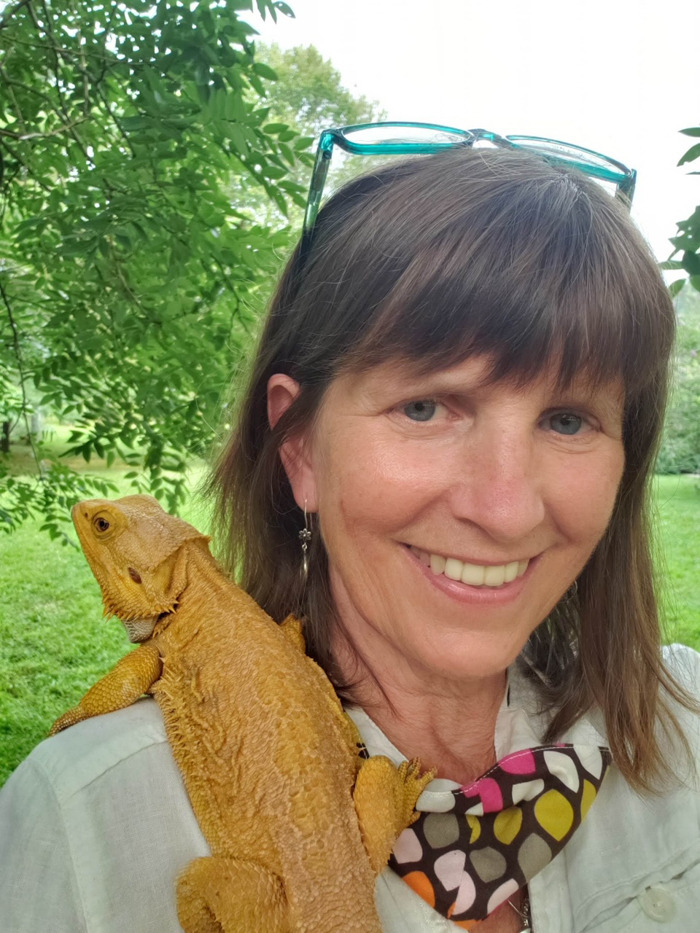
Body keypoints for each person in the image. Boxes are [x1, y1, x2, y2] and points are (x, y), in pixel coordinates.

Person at [1, 123, 699, 933]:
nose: (506, 508)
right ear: (299, 447)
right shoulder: (83, 825)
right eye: (426, 406)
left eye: (570, 419)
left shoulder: (683, 721)